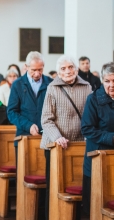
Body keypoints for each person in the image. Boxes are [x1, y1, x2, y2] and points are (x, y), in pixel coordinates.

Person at [41, 55, 91, 220]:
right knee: (53, 187)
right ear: (58, 72)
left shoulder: (86, 86)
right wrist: (58, 137)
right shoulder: (52, 88)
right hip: (55, 146)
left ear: (76, 69)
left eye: (70, 67)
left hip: (78, 146)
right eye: (63, 68)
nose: (67, 71)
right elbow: (46, 120)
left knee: (78, 185)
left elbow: (90, 116)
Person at [81, 62, 114, 216]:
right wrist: (112, 138)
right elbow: (87, 129)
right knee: (93, 206)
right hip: (98, 158)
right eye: (107, 81)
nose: (111, 85)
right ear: (102, 80)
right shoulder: (93, 99)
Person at [7, 51, 53, 161]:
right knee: (23, 174)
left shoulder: (51, 83)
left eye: (40, 70)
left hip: (46, 137)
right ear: (26, 67)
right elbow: (11, 112)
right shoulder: (17, 84)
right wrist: (28, 125)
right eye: (33, 70)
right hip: (24, 136)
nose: (37, 74)